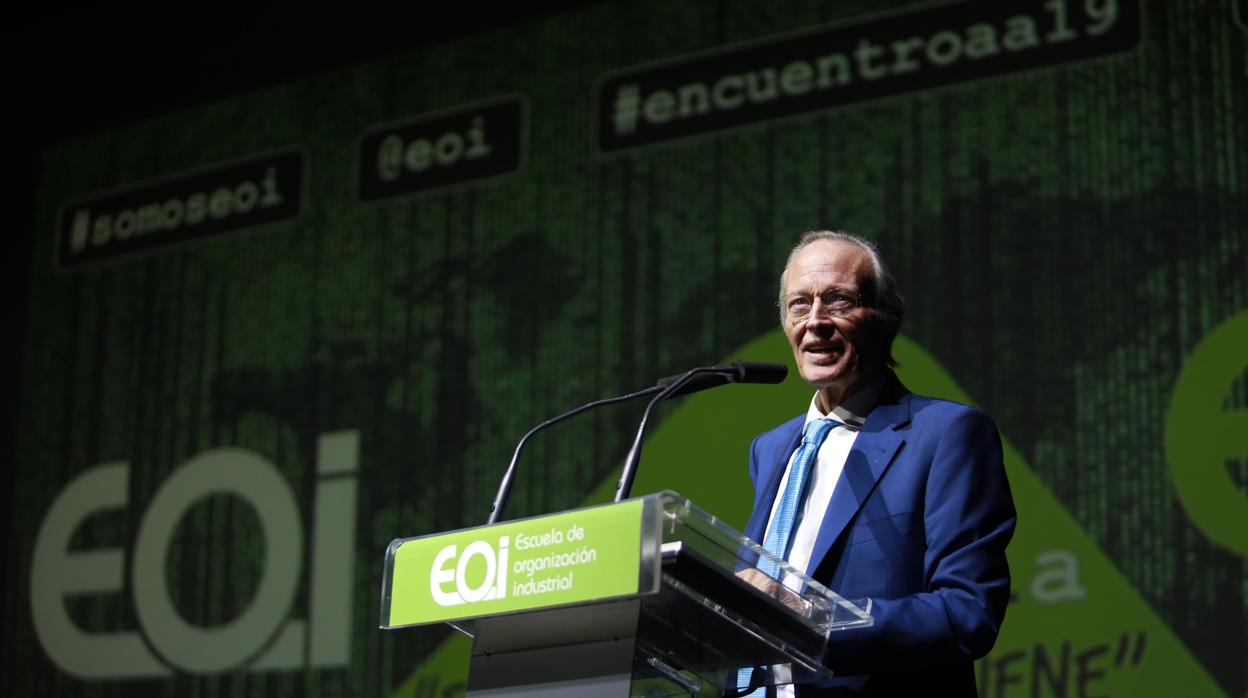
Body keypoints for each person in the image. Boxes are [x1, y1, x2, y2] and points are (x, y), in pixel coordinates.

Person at [740, 231, 1015, 696]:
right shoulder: (770, 449)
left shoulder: (946, 433)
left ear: (884, 319)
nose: (816, 321)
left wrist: (813, 616)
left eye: (839, 301)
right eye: (799, 305)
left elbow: (968, 612)